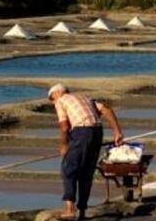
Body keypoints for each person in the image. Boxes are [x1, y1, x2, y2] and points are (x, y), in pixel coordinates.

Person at [48, 83, 124, 220]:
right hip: (97, 131)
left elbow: (65, 127)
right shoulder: (84, 97)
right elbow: (107, 109)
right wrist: (117, 132)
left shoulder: (60, 101)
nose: (53, 102)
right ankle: (82, 211)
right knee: (86, 173)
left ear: (57, 93)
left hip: (82, 132)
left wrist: (64, 146)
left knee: (68, 169)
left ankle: (70, 209)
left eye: (51, 98)